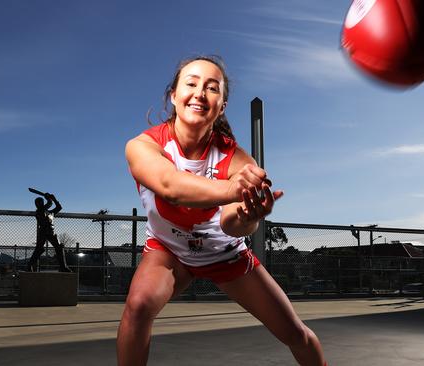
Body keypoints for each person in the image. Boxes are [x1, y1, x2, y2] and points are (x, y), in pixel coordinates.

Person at [118, 55, 327, 366]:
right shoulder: (144, 146)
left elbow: (233, 225)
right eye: (191, 84)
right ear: (174, 95)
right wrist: (233, 190)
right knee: (138, 306)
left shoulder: (239, 161)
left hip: (224, 254)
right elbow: (169, 184)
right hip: (168, 250)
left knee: (295, 333)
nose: (200, 93)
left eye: (212, 88)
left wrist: (249, 214)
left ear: (222, 106)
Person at [28, 192, 71, 272]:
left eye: (40, 202)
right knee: (40, 249)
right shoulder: (39, 211)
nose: (38, 204)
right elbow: (49, 203)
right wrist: (49, 198)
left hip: (51, 232)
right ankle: (29, 265)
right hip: (44, 232)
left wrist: (54, 199)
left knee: (58, 248)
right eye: (37, 203)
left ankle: (63, 267)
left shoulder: (49, 212)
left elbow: (59, 207)